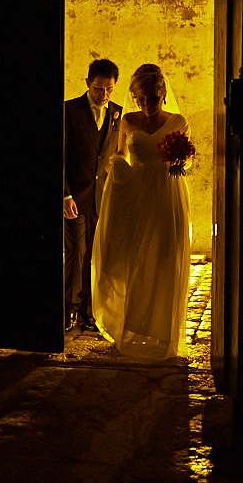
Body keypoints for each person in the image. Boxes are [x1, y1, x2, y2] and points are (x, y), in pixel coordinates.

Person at [91, 64, 192, 360]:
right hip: (137, 193)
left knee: (167, 257)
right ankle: (133, 326)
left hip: (168, 192)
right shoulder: (128, 121)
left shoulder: (178, 121)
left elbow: (187, 161)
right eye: (141, 99)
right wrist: (114, 165)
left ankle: (165, 332)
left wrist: (180, 159)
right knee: (135, 259)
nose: (147, 105)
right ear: (135, 97)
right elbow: (122, 153)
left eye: (153, 98)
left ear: (163, 94)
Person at [64, 59, 123, 332]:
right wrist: (65, 195)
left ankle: (89, 310)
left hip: (104, 196)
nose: (104, 95)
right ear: (88, 83)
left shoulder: (118, 113)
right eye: (99, 88)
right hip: (75, 196)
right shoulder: (69, 110)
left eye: (109, 89)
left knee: (94, 254)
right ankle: (68, 308)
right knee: (74, 252)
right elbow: (61, 156)